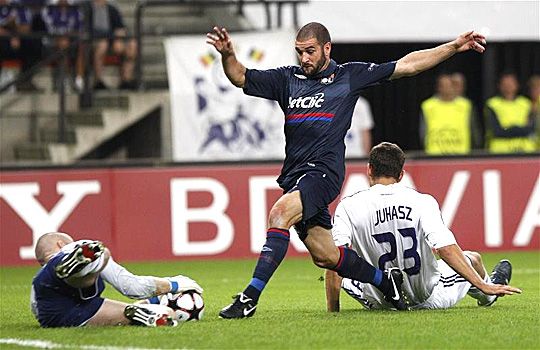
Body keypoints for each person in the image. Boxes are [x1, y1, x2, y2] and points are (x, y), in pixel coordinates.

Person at [206, 22, 489, 319]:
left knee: (279, 214)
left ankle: (249, 297)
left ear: (327, 48)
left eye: (311, 51)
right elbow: (240, 77)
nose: (304, 58)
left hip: (324, 173)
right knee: (326, 255)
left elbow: (407, 65)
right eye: (300, 52)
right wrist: (228, 55)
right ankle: (384, 280)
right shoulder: (285, 79)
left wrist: (453, 46)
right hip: (295, 175)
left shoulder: (349, 76)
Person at [326, 142, 521, 311]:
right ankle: (488, 293)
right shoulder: (421, 201)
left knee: (347, 270)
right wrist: (481, 285)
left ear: (369, 169)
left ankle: (385, 289)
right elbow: (445, 249)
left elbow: (335, 260)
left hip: (377, 301)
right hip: (425, 298)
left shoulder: (348, 206)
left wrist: (333, 312)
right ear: (401, 174)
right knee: (473, 258)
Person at [31, 232, 203, 327]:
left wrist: (151, 299)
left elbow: (40, 312)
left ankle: (139, 312)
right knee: (101, 253)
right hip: (75, 300)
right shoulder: (72, 248)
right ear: (61, 244)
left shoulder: (38, 279)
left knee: (168, 314)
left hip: (56, 316)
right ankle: (82, 267)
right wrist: (174, 284)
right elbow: (130, 286)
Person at [419, 73, 481, 154]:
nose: (447, 88)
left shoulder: (466, 105)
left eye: (449, 85)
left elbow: (474, 132)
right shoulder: (428, 106)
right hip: (434, 155)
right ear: (438, 87)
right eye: (443, 85)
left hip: (461, 155)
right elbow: (423, 133)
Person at [484, 73, 536, 153]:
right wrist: (519, 129)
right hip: (500, 152)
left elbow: (530, 130)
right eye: (505, 84)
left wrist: (509, 129)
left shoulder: (526, 104)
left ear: (517, 85)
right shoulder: (492, 104)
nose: (508, 87)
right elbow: (497, 131)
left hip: (525, 151)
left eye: (511, 83)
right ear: (499, 86)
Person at [91, 0, 137, 90]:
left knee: (132, 44)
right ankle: (98, 81)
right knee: (102, 45)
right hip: (94, 40)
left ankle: (126, 80)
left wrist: (119, 36)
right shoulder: (88, 8)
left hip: (112, 40)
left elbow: (120, 27)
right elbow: (87, 29)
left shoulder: (112, 9)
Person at [0, 0, 41, 91]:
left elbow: (26, 28)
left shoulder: (18, 6)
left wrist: (15, 29)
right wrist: (9, 31)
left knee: (34, 43)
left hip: (16, 40)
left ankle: (25, 80)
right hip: (3, 41)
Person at [527, 75, 540, 150]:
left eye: (537, 87)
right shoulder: (526, 104)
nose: (534, 91)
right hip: (532, 147)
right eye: (532, 88)